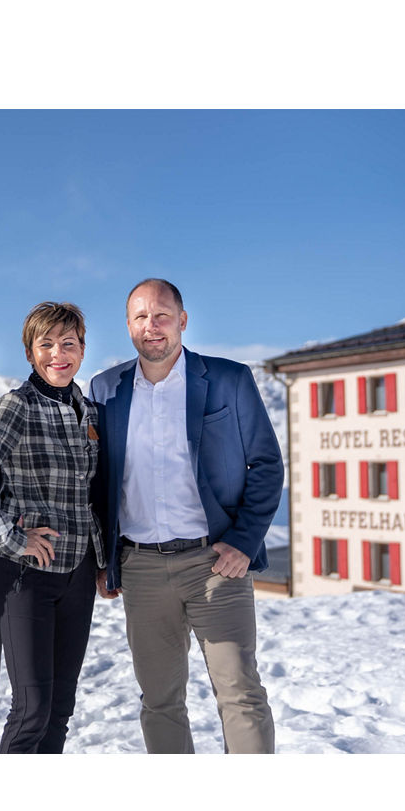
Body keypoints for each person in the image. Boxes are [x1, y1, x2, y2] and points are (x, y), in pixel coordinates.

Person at [89, 279, 282, 754]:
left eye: (160, 315)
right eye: (140, 317)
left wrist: (244, 541)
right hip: (140, 569)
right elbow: (99, 481)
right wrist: (104, 559)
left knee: (240, 694)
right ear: (128, 325)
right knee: (159, 701)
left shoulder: (229, 379)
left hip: (215, 563)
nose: (151, 326)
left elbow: (267, 463)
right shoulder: (104, 389)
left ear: (182, 320)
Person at [0, 302, 105, 753]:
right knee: (32, 707)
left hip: (77, 575)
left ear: (82, 350)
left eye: (69, 344)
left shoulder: (88, 412)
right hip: (26, 578)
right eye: (47, 344)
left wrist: (103, 563)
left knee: (60, 707)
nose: (59, 354)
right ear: (31, 352)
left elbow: (95, 493)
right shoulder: (19, 405)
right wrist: (13, 538)